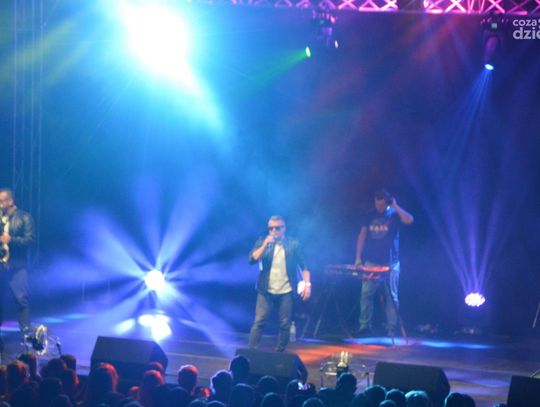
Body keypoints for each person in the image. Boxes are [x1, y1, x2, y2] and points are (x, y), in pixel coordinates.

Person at [248, 215, 311, 352]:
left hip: (286, 290)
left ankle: (279, 353)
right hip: (265, 290)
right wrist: (265, 244)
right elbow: (252, 259)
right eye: (271, 228)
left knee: (284, 324)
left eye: (277, 228)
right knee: (259, 322)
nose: (274, 231)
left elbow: (304, 266)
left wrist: (307, 285)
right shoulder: (263, 241)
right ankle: (251, 352)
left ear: (284, 228)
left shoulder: (293, 244)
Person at [354, 189, 413, 336]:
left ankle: (391, 328)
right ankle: (364, 326)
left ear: (387, 203)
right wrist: (358, 258)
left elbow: (409, 220)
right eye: (376, 204)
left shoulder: (394, 214)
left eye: (381, 205)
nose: (378, 207)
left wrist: (396, 206)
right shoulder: (369, 214)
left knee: (392, 296)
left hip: (391, 263)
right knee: (366, 293)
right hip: (371, 262)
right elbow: (362, 236)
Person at [0, 188, 35, 344]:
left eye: (1, 201)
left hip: (17, 266)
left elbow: (30, 240)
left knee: (21, 299)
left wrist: (11, 240)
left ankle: (26, 336)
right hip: (1, 264)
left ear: (10, 201)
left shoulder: (24, 217)